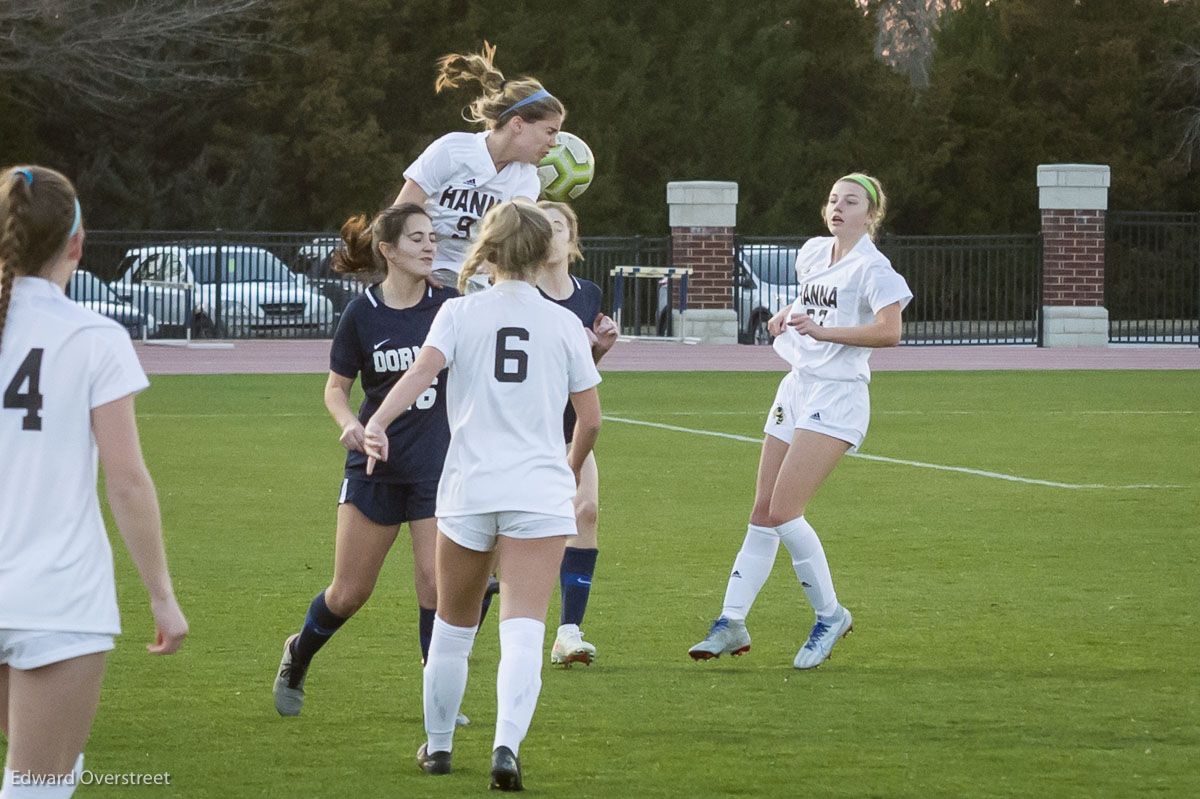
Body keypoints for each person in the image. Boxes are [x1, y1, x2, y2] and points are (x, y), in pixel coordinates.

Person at [361, 201, 601, 791]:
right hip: (538, 491)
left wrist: (378, 424)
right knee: (523, 628)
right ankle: (505, 748)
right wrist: (566, 471)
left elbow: (419, 373)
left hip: (469, 487)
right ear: (546, 251)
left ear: (487, 249)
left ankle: (439, 749)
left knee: (452, 625)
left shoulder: (459, 313)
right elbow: (590, 420)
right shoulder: (566, 324)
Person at [0, 165, 188, 798]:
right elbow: (128, 481)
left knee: (41, 771)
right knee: (37, 786)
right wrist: (162, 597)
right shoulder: (93, 336)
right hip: (56, 594)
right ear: (77, 244)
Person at [688, 172, 912, 670]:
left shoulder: (874, 269)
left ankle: (830, 615)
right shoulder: (813, 251)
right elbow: (812, 300)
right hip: (797, 385)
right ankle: (731, 620)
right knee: (763, 508)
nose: (837, 207)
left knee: (787, 509)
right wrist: (787, 314)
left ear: (871, 215)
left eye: (851, 202)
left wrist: (823, 329)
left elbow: (890, 331)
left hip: (838, 396)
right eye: (833, 199)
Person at [272, 203, 470, 721]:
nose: (431, 247)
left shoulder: (451, 305)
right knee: (350, 592)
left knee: (436, 586)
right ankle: (299, 654)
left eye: (433, 237)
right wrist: (350, 425)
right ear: (387, 251)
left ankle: (438, 700)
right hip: (375, 468)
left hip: (436, 469)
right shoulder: (361, 313)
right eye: (418, 239)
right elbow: (336, 390)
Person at [394, 41, 564, 290]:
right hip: (424, 271)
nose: (554, 143)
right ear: (518, 124)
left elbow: (518, 229)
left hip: (477, 281)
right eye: (549, 131)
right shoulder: (453, 149)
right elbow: (402, 212)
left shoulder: (526, 177)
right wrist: (414, 268)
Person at [534, 201, 618, 667]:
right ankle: (460, 632)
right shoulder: (522, 293)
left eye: (559, 225)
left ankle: (568, 632)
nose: (551, 234)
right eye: (542, 227)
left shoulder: (588, 293)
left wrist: (598, 350)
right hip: (527, 432)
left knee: (585, 510)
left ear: (573, 239)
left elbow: (579, 378)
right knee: (499, 542)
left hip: (571, 428)